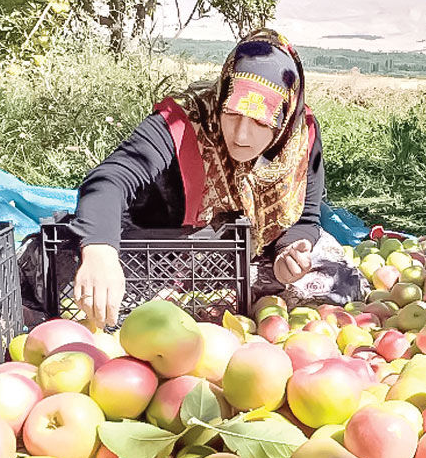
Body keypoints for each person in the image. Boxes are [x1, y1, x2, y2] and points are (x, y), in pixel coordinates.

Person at [19, 28, 365, 327]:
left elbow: (305, 216)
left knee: (337, 283)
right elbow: (110, 179)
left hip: (248, 256)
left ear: (285, 117)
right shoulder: (183, 124)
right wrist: (100, 252)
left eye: (261, 123)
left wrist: (290, 249)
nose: (242, 136)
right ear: (222, 98)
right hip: (162, 253)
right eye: (232, 115)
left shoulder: (299, 137)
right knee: (93, 296)